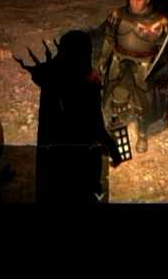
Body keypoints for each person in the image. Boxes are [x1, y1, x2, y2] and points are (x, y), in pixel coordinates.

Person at [17, 30, 123, 203]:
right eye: (88, 52)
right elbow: (96, 127)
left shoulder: (50, 74)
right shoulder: (87, 86)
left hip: (52, 158)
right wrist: (114, 150)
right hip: (80, 160)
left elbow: (41, 71)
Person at [97, 0, 168, 153]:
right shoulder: (117, 15)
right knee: (116, 95)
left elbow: (164, 48)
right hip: (119, 59)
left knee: (143, 101)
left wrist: (159, 69)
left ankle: (142, 134)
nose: (134, 3)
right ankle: (115, 129)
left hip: (144, 63)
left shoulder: (159, 21)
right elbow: (109, 38)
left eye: (139, 0)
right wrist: (103, 58)